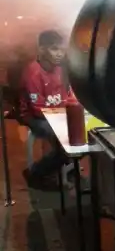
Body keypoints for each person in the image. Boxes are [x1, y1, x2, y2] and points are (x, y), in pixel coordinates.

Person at [20, 30, 70, 188]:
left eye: (62, 49)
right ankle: (36, 173)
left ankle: (61, 163)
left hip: (56, 114)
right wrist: (62, 119)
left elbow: (64, 97)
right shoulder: (33, 72)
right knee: (64, 143)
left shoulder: (59, 69)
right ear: (42, 49)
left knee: (82, 133)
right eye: (54, 49)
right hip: (35, 117)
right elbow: (37, 109)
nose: (59, 54)